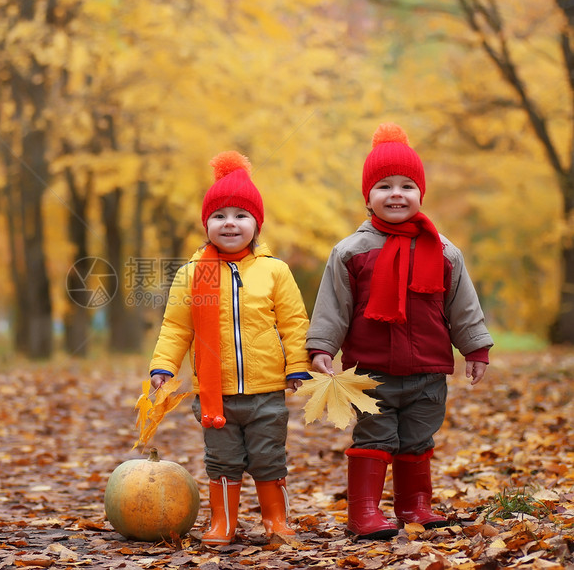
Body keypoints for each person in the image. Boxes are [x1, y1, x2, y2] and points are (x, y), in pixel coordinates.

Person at [305, 122, 493, 540]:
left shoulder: (443, 251)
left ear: (420, 194)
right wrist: (322, 346)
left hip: (427, 371)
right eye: (384, 186)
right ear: (367, 196)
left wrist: (475, 348)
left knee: (418, 437)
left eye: (407, 186)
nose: (396, 194)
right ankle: (365, 511)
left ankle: (414, 505)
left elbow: (462, 306)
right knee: (376, 435)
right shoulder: (351, 251)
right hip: (371, 371)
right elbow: (334, 306)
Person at [148, 151, 311, 545]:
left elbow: (293, 323)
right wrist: (163, 366)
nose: (230, 223)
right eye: (219, 216)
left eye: (241, 215)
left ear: (257, 223)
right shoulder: (193, 274)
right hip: (215, 394)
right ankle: (224, 522)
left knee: (268, 457)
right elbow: (176, 327)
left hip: (265, 392)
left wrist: (297, 366)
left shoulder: (275, 271)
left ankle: (276, 518)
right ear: (207, 225)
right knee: (222, 461)